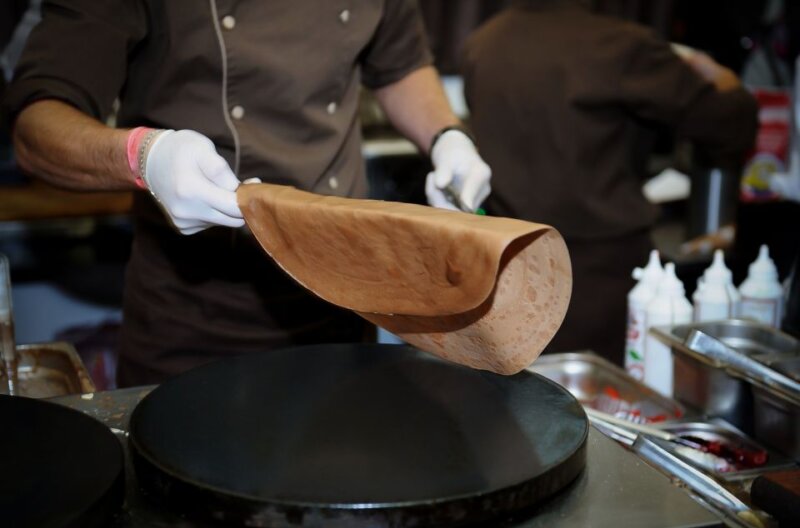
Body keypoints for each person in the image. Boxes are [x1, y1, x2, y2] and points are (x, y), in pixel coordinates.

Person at [2, 0, 492, 386]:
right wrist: (145, 156)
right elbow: (38, 125)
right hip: (197, 320)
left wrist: (446, 136)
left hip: (343, 304)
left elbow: (400, 63)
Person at [462, 0, 758, 365]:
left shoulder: (483, 41)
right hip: (602, 280)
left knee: (518, 403)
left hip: (508, 272)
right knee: (602, 408)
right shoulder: (620, 46)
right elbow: (728, 124)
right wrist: (727, 83)